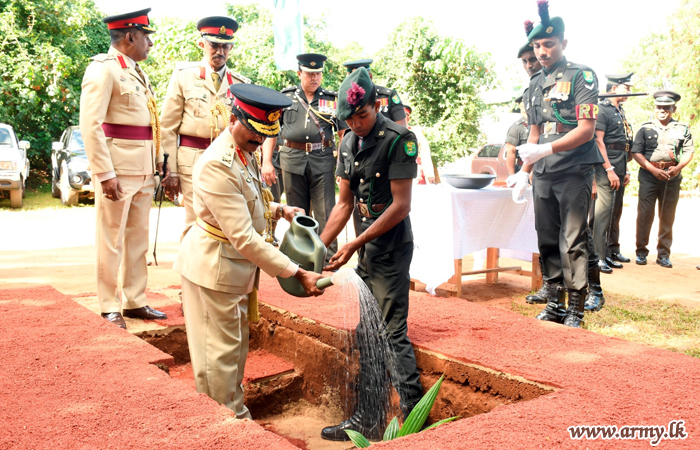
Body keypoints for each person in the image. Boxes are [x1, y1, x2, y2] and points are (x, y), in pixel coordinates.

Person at [173, 83, 325, 418]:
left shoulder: (242, 150)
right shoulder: (218, 163)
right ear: (233, 119)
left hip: (232, 269)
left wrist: (279, 210)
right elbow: (242, 235)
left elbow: (248, 200)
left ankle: (233, 416)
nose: (259, 140)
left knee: (233, 351)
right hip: (215, 270)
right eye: (254, 132)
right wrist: (296, 271)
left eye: (265, 134)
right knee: (218, 361)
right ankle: (227, 425)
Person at [318, 68, 423, 441]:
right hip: (365, 248)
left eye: (361, 115)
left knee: (392, 333)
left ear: (376, 106)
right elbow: (344, 204)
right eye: (349, 119)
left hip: (390, 249)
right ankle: (368, 419)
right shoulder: (348, 142)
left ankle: (414, 424)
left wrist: (353, 244)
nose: (355, 124)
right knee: (366, 334)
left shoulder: (399, 139)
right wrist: (320, 246)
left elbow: (401, 205)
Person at [509, 1, 603, 328]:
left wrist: (545, 149)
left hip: (574, 169)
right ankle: (554, 302)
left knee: (573, 240)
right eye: (537, 46)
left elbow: (586, 129)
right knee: (546, 237)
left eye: (548, 44)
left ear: (564, 42)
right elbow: (534, 131)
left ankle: (575, 307)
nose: (542, 52)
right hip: (544, 173)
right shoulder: (534, 84)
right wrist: (524, 172)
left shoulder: (582, 76)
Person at [79, 9, 167, 329]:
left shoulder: (136, 72)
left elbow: (150, 123)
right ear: (130, 37)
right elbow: (90, 125)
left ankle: (134, 300)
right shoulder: (103, 70)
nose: (150, 43)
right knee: (111, 240)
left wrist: (158, 161)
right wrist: (104, 173)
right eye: (146, 37)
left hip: (142, 170)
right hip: (117, 171)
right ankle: (108, 305)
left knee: (137, 240)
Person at [160, 16, 250, 239]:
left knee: (225, 224)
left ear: (231, 48)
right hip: (192, 158)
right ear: (202, 44)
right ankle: (189, 262)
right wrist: (170, 170)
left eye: (225, 46)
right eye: (214, 45)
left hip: (227, 160)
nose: (220, 51)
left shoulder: (240, 84)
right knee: (195, 222)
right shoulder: (184, 76)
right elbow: (168, 127)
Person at [261, 53, 339, 260]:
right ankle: (301, 258)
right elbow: (271, 131)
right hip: (292, 160)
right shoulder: (285, 98)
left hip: (322, 160)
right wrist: (266, 161)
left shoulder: (331, 99)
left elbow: (343, 133)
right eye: (309, 74)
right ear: (299, 73)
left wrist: (342, 164)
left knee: (326, 212)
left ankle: (327, 259)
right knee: (297, 213)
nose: (314, 78)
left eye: (318, 74)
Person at [632, 91, 694, 268]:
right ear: (655, 108)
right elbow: (636, 152)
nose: (662, 110)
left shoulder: (682, 128)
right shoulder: (645, 128)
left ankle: (663, 254)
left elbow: (689, 151)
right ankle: (641, 252)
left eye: (667, 107)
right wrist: (652, 170)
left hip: (671, 177)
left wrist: (678, 168)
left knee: (667, 216)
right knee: (645, 215)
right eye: (659, 107)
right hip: (648, 176)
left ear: (674, 109)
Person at [591, 74, 634, 275]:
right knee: (602, 213)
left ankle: (607, 252)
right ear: (614, 88)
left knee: (614, 212)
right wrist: (609, 169)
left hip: (620, 164)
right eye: (626, 87)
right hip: (606, 166)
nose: (629, 91)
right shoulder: (603, 109)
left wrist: (625, 169)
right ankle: (597, 257)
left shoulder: (619, 110)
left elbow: (624, 143)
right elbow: (599, 141)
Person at [507, 41, 543, 177]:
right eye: (524, 61)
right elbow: (534, 135)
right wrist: (524, 173)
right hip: (538, 168)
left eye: (532, 59)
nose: (529, 66)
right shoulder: (529, 93)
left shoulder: (562, 82)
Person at [404, 105, 435, 184]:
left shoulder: (416, 131)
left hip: (416, 173)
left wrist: (429, 174)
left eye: (406, 115)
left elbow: (425, 152)